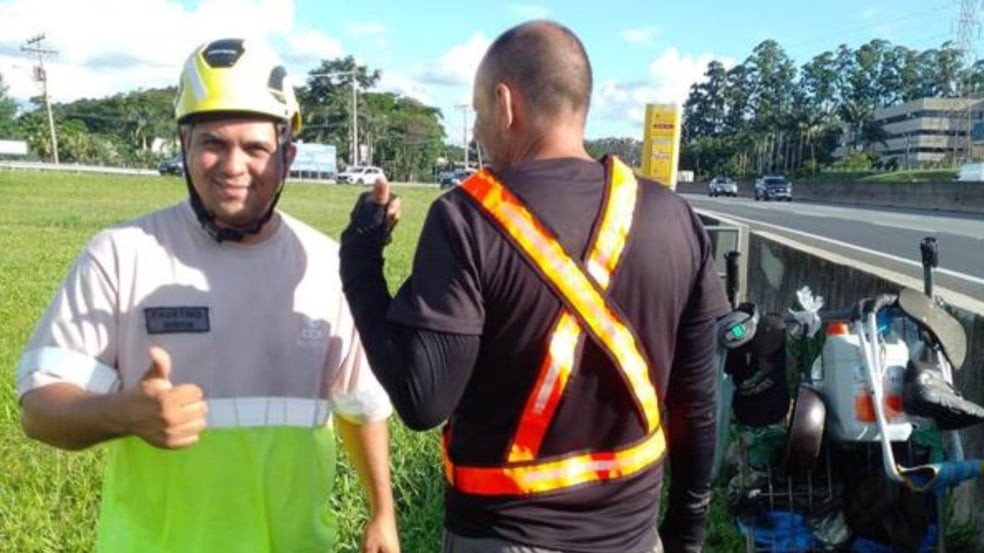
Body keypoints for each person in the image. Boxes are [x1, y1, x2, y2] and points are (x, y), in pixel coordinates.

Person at [340, 20, 728, 553]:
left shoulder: (466, 219)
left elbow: (422, 399)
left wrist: (359, 260)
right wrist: (687, 530)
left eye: (477, 114)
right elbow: (697, 403)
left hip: (502, 536)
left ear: (505, 104)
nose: (477, 130)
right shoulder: (675, 218)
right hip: (633, 537)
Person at [16, 37, 399, 553]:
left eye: (256, 148)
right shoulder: (120, 255)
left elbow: (360, 404)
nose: (232, 165)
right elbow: (39, 409)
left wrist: (382, 514)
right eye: (213, 142)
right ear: (185, 144)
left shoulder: (325, 265)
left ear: (286, 155)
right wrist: (123, 414)